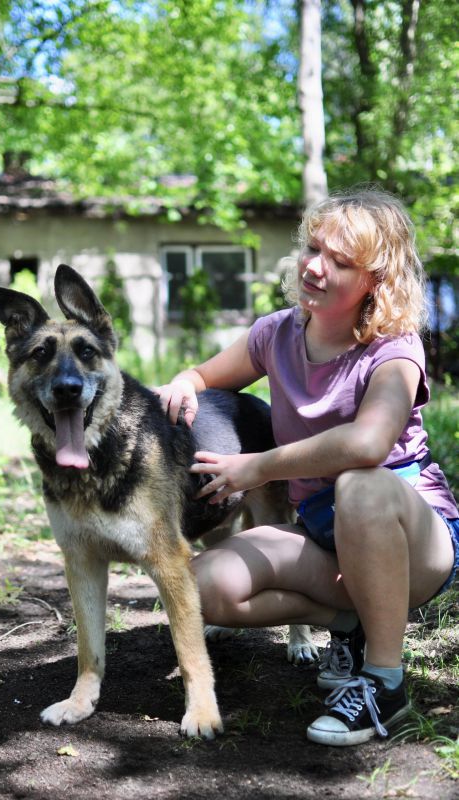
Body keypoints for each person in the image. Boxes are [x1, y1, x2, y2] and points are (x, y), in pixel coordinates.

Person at [155, 188, 458, 747]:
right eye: (314, 249)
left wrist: (260, 467)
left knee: (359, 486)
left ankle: (384, 683)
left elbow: (368, 444)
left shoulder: (393, 351)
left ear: (376, 280)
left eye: (341, 261)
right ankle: (352, 624)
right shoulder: (276, 334)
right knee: (199, 588)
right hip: (325, 537)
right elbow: (201, 376)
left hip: (412, 539)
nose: (316, 267)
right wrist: (182, 384)